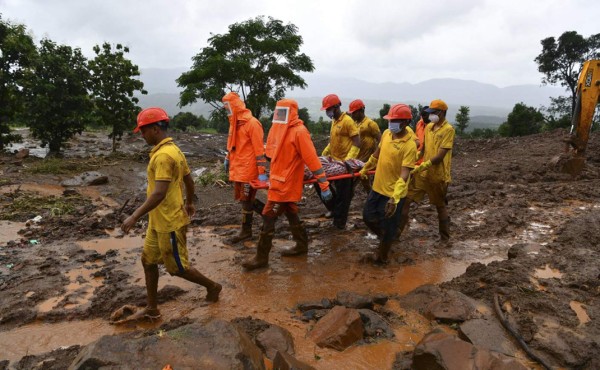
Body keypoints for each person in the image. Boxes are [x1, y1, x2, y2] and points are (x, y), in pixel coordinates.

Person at [120, 107, 222, 321]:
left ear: (156, 129)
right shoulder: (173, 149)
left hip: (169, 222)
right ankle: (151, 308)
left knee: (177, 268)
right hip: (157, 221)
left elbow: (158, 194)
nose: (142, 135)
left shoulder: (165, 156)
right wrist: (190, 201)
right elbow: (189, 179)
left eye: (144, 131)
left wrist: (134, 216)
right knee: (148, 261)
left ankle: (213, 286)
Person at [242, 99, 332, 270]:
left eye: (283, 112)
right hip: (277, 180)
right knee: (291, 213)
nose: (279, 115)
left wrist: (324, 185)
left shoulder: (299, 132)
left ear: (291, 112)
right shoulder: (278, 129)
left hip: (286, 184)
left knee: (268, 216)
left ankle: (261, 258)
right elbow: (270, 154)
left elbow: (311, 159)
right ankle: (301, 245)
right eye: (278, 112)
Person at [359, 104, 417, 264]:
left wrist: (395, 197)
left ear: (405, 122)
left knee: (389, 224)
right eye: (390, 120)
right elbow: (377, 154)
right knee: (368, 217)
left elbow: (405, 173)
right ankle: (387, 239)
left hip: (393, 194)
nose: (391, 124)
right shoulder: (386, 134)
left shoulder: (409, 145)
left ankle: (383, 259)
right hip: (378, 188)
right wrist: (366, 167)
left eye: (395, 121)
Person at [399, 99, 455, 242]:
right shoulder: (429, 127)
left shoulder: (448, 130)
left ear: (441, 113)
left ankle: (445, 239)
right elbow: (423, 149)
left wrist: (422, 165)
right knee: (406, 200)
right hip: (423, 174)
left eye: (433, 113)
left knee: (440, 206)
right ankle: (396, 235)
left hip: (438, 175)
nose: (430, 116)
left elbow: (440, 156)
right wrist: (414, 158)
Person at [222, 92, 267, 244]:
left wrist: (262, 172)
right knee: (245, 199)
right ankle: (269, 215)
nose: (227, 110)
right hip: (239, 168)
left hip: (249, 169)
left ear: (235, 106)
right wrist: (228, 158)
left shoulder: (252, 124)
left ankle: (246, 230)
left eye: (228, 107)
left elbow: (259, 150)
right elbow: (232, 145)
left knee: (247, 200)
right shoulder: (234, 124)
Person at [319, 94, 361, 229]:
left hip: (344, 164)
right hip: (333, 161)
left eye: (329, 109)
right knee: (319, 183)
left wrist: (348, 161)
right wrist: (324, 154)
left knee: (344, 196)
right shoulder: (334, 121)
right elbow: (333, 142)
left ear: (337, 107)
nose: (327, 112)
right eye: (326, 110)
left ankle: (339, 223)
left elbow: (357, 143)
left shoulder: (348, 121)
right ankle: (335, 209)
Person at [348, 99, 381, 193]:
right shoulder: (354, 124)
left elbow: (381, 141)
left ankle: (372, 200)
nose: (352, 115)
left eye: (354, 113)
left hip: (368, 158)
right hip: (357, 157)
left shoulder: (371, 124)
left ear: (361, 111)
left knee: (364, 180)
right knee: (357, 180)